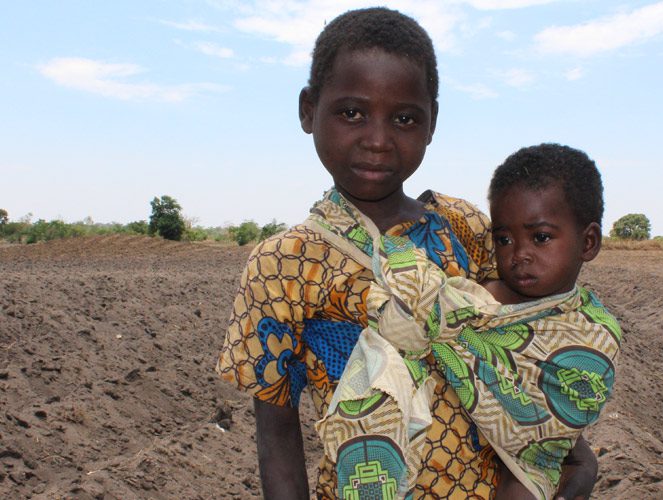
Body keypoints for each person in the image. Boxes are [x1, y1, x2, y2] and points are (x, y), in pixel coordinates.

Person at [216, 7, 598, 499]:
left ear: (431, 123)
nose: (377, 140)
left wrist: (578, 463)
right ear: (309, 110)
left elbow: (526, 351)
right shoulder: (283, 265)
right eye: (351, 113)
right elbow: (277, 437)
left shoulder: (465, 229)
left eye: (404, 119)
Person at [315, 143, 621, 499]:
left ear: (588, 242)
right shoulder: (479, 294)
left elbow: (570, 406)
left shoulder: (592, 327)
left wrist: (578, 462)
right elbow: (436, 316)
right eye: (504, 239)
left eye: (540, 238)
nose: (519, 253)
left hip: (532, 465)